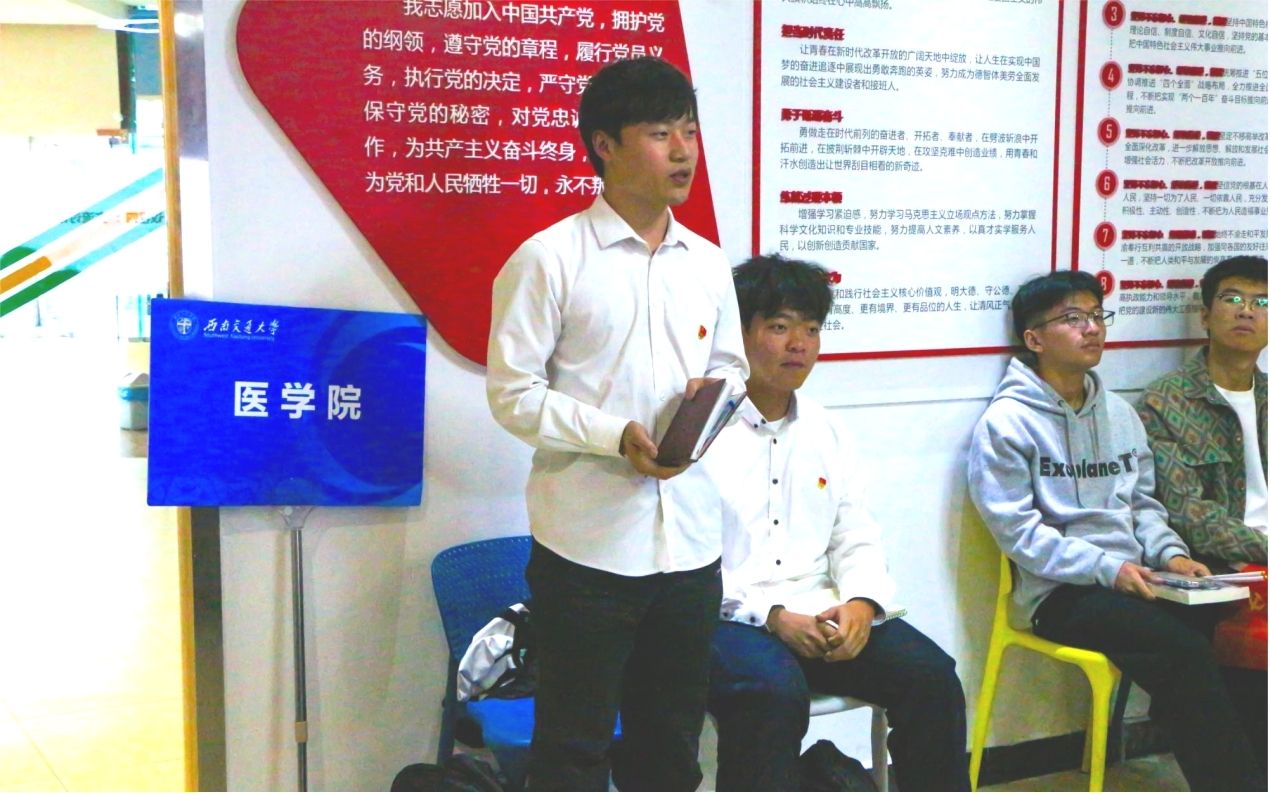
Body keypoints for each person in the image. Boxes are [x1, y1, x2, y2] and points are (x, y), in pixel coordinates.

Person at [485, 57, 748, 790]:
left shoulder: (708, 263)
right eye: (661, 134)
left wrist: (710, 399)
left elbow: (733, 369)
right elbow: (512, 394)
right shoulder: (549, 259)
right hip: (587, 551)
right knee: (572, 749)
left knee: (670, 750)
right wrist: (614, 435)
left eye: (689, 131)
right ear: (604, 145)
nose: (684, 151)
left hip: (689, 549)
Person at [967, 270, 1260, 791]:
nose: (1092, 329)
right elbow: (1020, 534)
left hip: (1138, 576)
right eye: (1072, 318)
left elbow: (1143, 502)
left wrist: (1170, 555)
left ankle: (1250, 772)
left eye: (1097, 315)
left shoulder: (1119, 413)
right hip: (1061, 592)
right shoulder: (1007, 423)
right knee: (1183, 651)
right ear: (1034, 339)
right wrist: (1109, 568)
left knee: (1227, 625)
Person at [703, 254, 969, 792]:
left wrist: (862, 604)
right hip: (725, 617)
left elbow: (855, 534)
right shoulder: (702, 431)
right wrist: (771, 616)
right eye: (779, 327)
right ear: (740, 334)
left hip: (819, 609)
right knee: (772, 693)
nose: (799, 344)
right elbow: (683, 559)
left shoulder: (827, 430)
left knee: (932, 677)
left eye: (811, 329)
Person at [1137, 256, 1268, 567]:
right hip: (1226, 566)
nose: (1246, 311)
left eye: (1262, 302)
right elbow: (1189, 516)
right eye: (1232, 299)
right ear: (1205, 316)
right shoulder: (1164, 402)